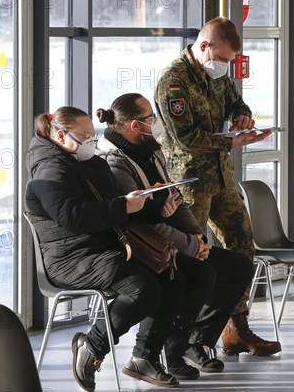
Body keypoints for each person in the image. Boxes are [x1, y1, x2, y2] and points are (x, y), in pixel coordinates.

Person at [95, 93, 254, 380]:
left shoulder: (150, 151)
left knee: (239, 268)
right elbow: (143, 224)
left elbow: (174, 197)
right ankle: (174, 350)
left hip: (174, 240)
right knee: (198, 274)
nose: (154, 123)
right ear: (133, 125)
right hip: (146, 247)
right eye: (149, 119)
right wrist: (192, 247)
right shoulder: (114, 163)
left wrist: (197, 236)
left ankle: (195, 341)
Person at [25, 106, 181, 390]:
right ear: (60, 135)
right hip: (70, 258)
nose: (90, 142)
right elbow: (73, 217)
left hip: (102, 248)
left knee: (169, 273)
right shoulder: (49, 169)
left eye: (91, 135)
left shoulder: (86, 162)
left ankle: (145, 357)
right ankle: (92, 346)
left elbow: (112, 204)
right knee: (141, 288)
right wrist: (123, 205)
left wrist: (151, 207)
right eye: (84, 136)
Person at [154, 16, 280, 356]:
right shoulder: (173, 81)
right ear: (205, 46)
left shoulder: (218, 73)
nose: (225, 65)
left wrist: (243, 117)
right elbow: (186, 138)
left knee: (242, 244)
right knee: (192, 255)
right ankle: (182, 340)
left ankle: (235, 329)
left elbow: (235, 102)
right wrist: (233, 144)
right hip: (190, 181)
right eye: (222, 58)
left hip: (221, 176)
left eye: (230, 60)